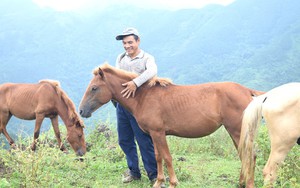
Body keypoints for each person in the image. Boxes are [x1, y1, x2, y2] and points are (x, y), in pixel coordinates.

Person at [115, 27, 158, 183]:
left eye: (130, 42)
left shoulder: (147, 58)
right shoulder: (120, 58)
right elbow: (116, 78)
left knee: (144, 140)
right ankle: (134, 172)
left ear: (138, 41)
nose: (127, 46)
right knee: (124, 139)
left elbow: (153, 71)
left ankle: (153, 175)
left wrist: (135, 82)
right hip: (123, 106)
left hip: (140, 107)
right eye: (125, 43)